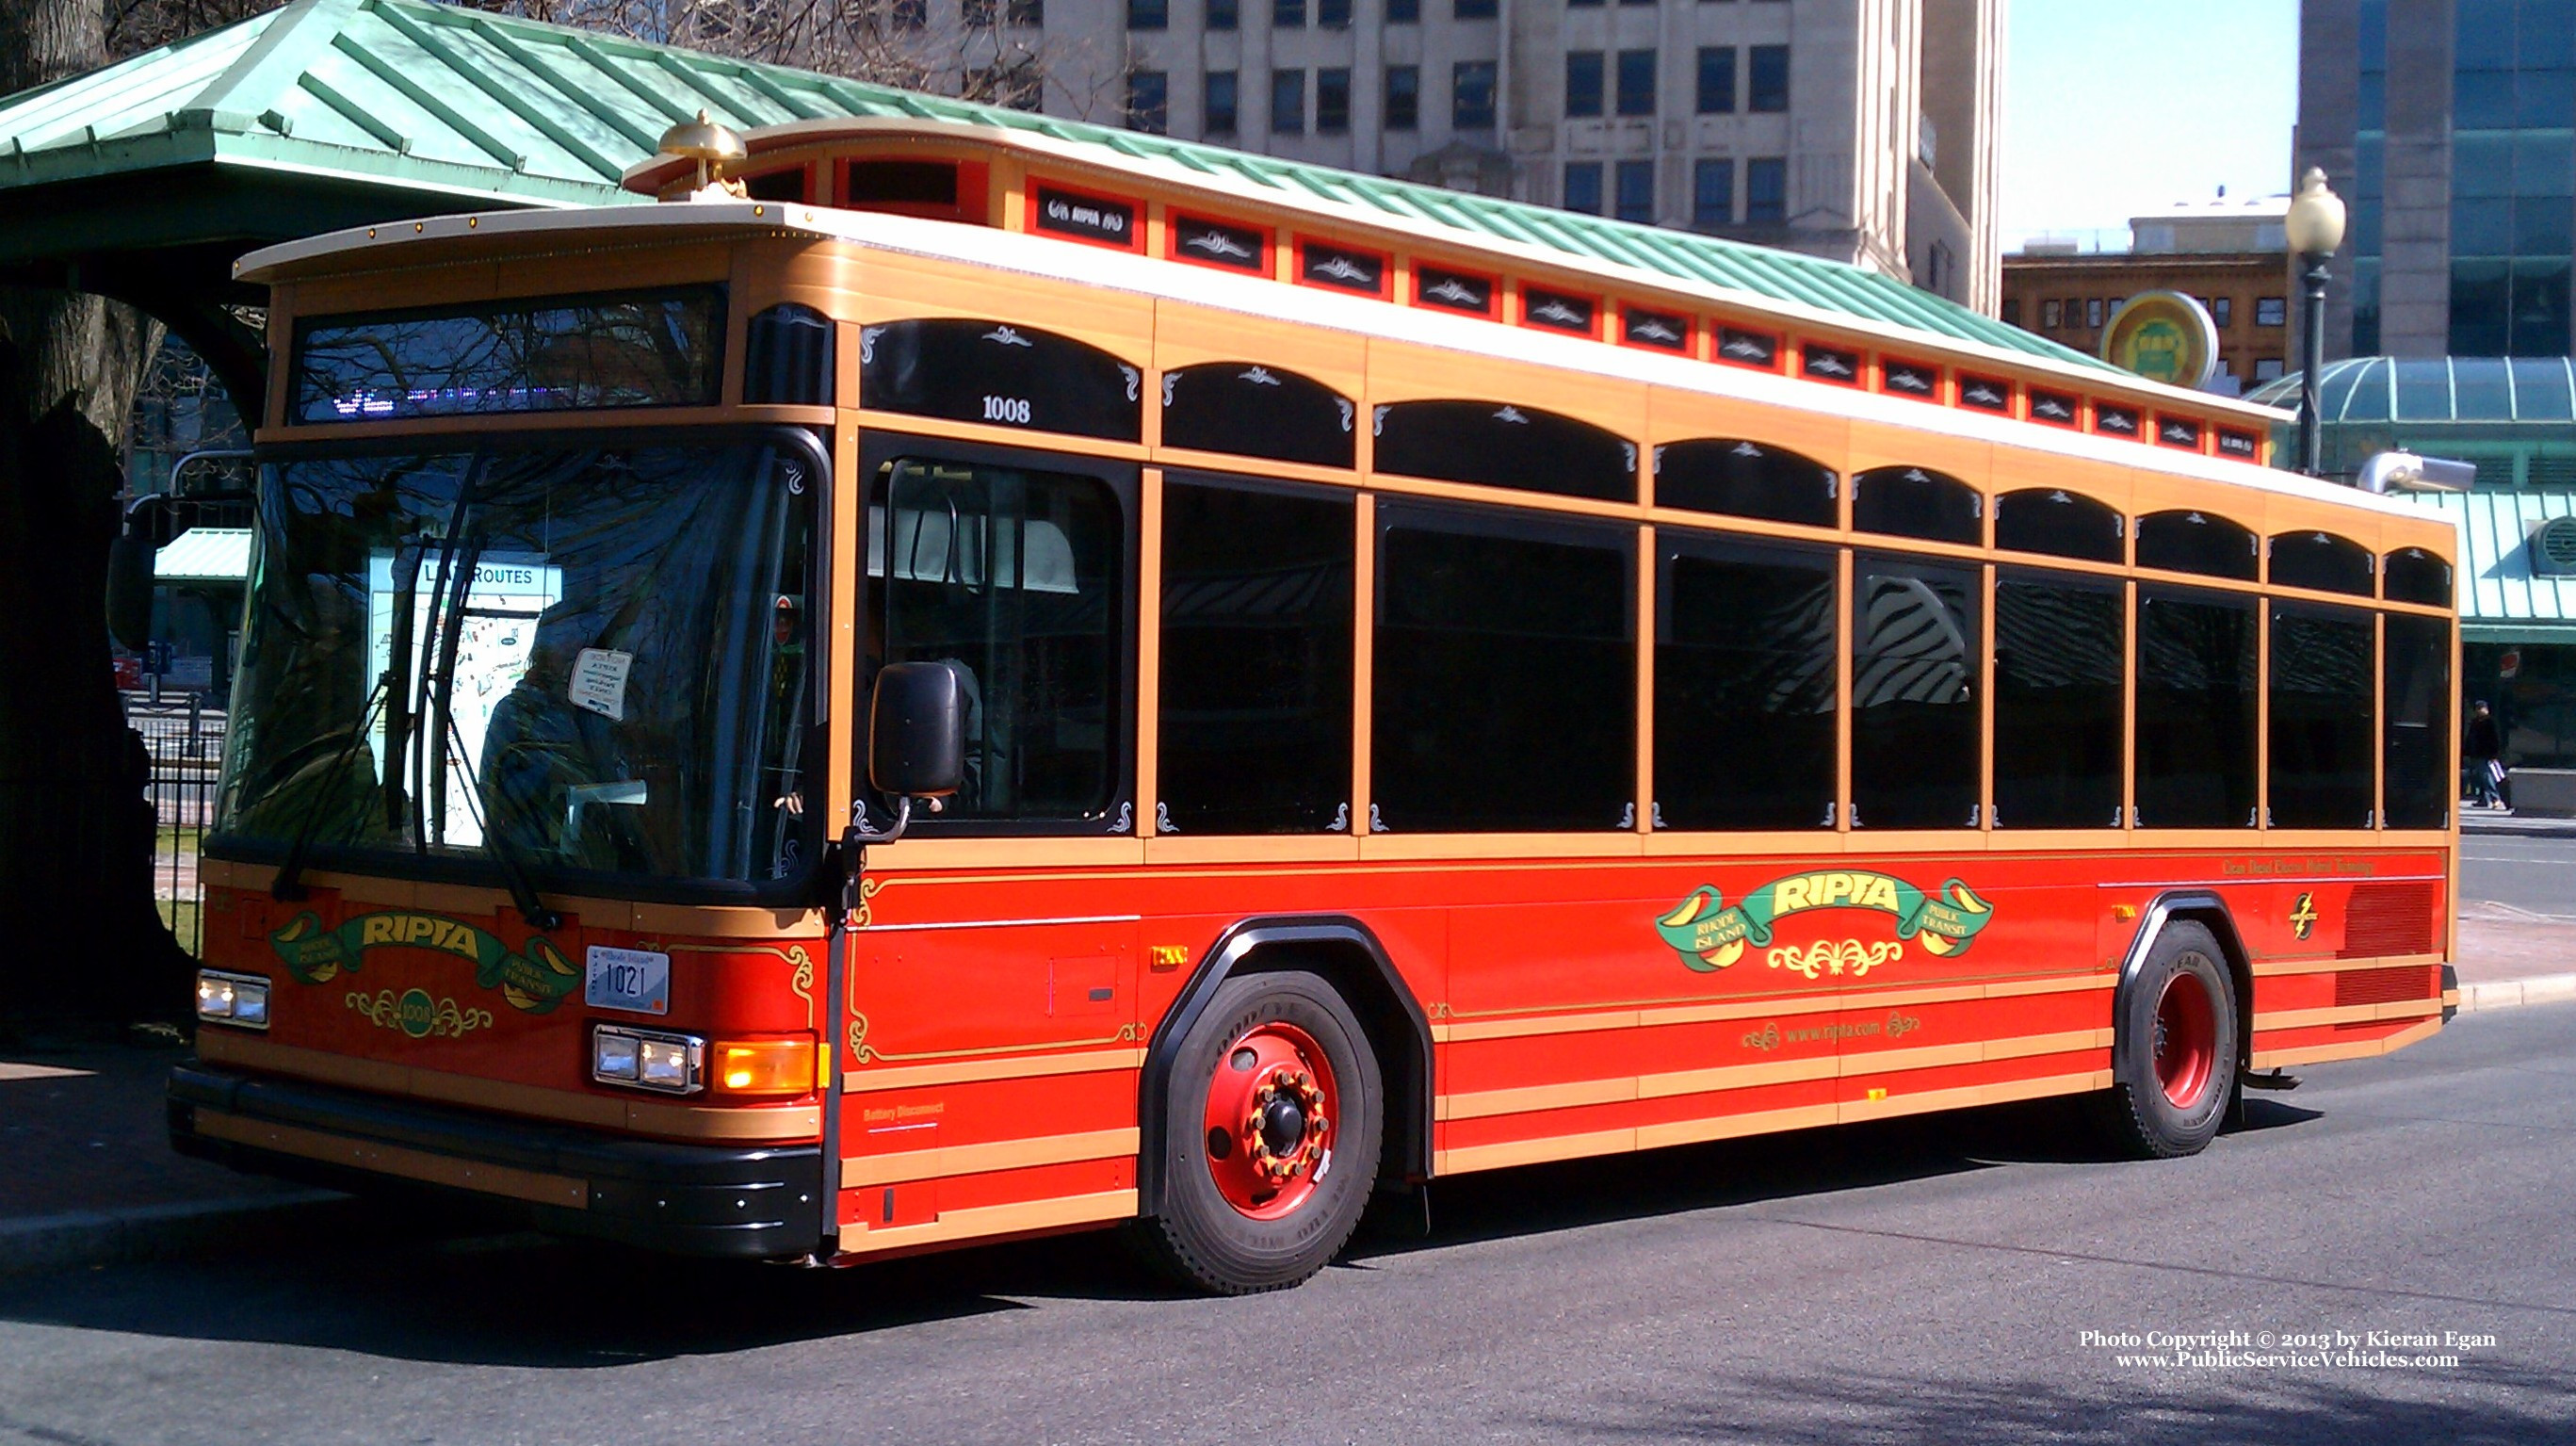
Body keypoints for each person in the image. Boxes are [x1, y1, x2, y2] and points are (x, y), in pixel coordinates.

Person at [2464, 700, 2504, 809]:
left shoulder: (2490, 722)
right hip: (2476, 753)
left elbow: (2495, 739)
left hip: (2485, 754)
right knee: (2480, 777)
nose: (2478, 711)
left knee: (2486, 776)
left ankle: (2496, 798)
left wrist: (2494, 754)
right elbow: (2470, 737)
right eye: (2477, 708)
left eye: (2480, 708)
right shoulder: (2475, 722)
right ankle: (2484, 799)